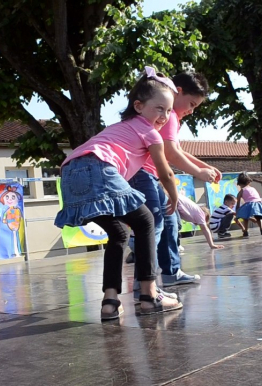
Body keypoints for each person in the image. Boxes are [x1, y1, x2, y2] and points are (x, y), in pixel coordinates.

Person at [54, 66, 183, 320]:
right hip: (98, 167)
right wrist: (174, 196)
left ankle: (110, 302)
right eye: (159, 108)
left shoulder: (119, 127)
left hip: (70, 173)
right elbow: (165, 171)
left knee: (119, 232)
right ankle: (149, 295)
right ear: (138, 106)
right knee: (146, 219)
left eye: (169, 111)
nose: (165, 116)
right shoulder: (149, 132)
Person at [127, 70, 216, 293]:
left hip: (148, 174)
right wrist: (199, 171)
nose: (191, 111)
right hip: (143, 173)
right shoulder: (170, 116)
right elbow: (172, 153)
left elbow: (175, 150)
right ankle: (145, 281)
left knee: (168, 221)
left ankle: (170, 272)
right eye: (192, 104)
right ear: (179, 92)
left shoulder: (169, 117)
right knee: (154, 225)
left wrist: (202, 166)